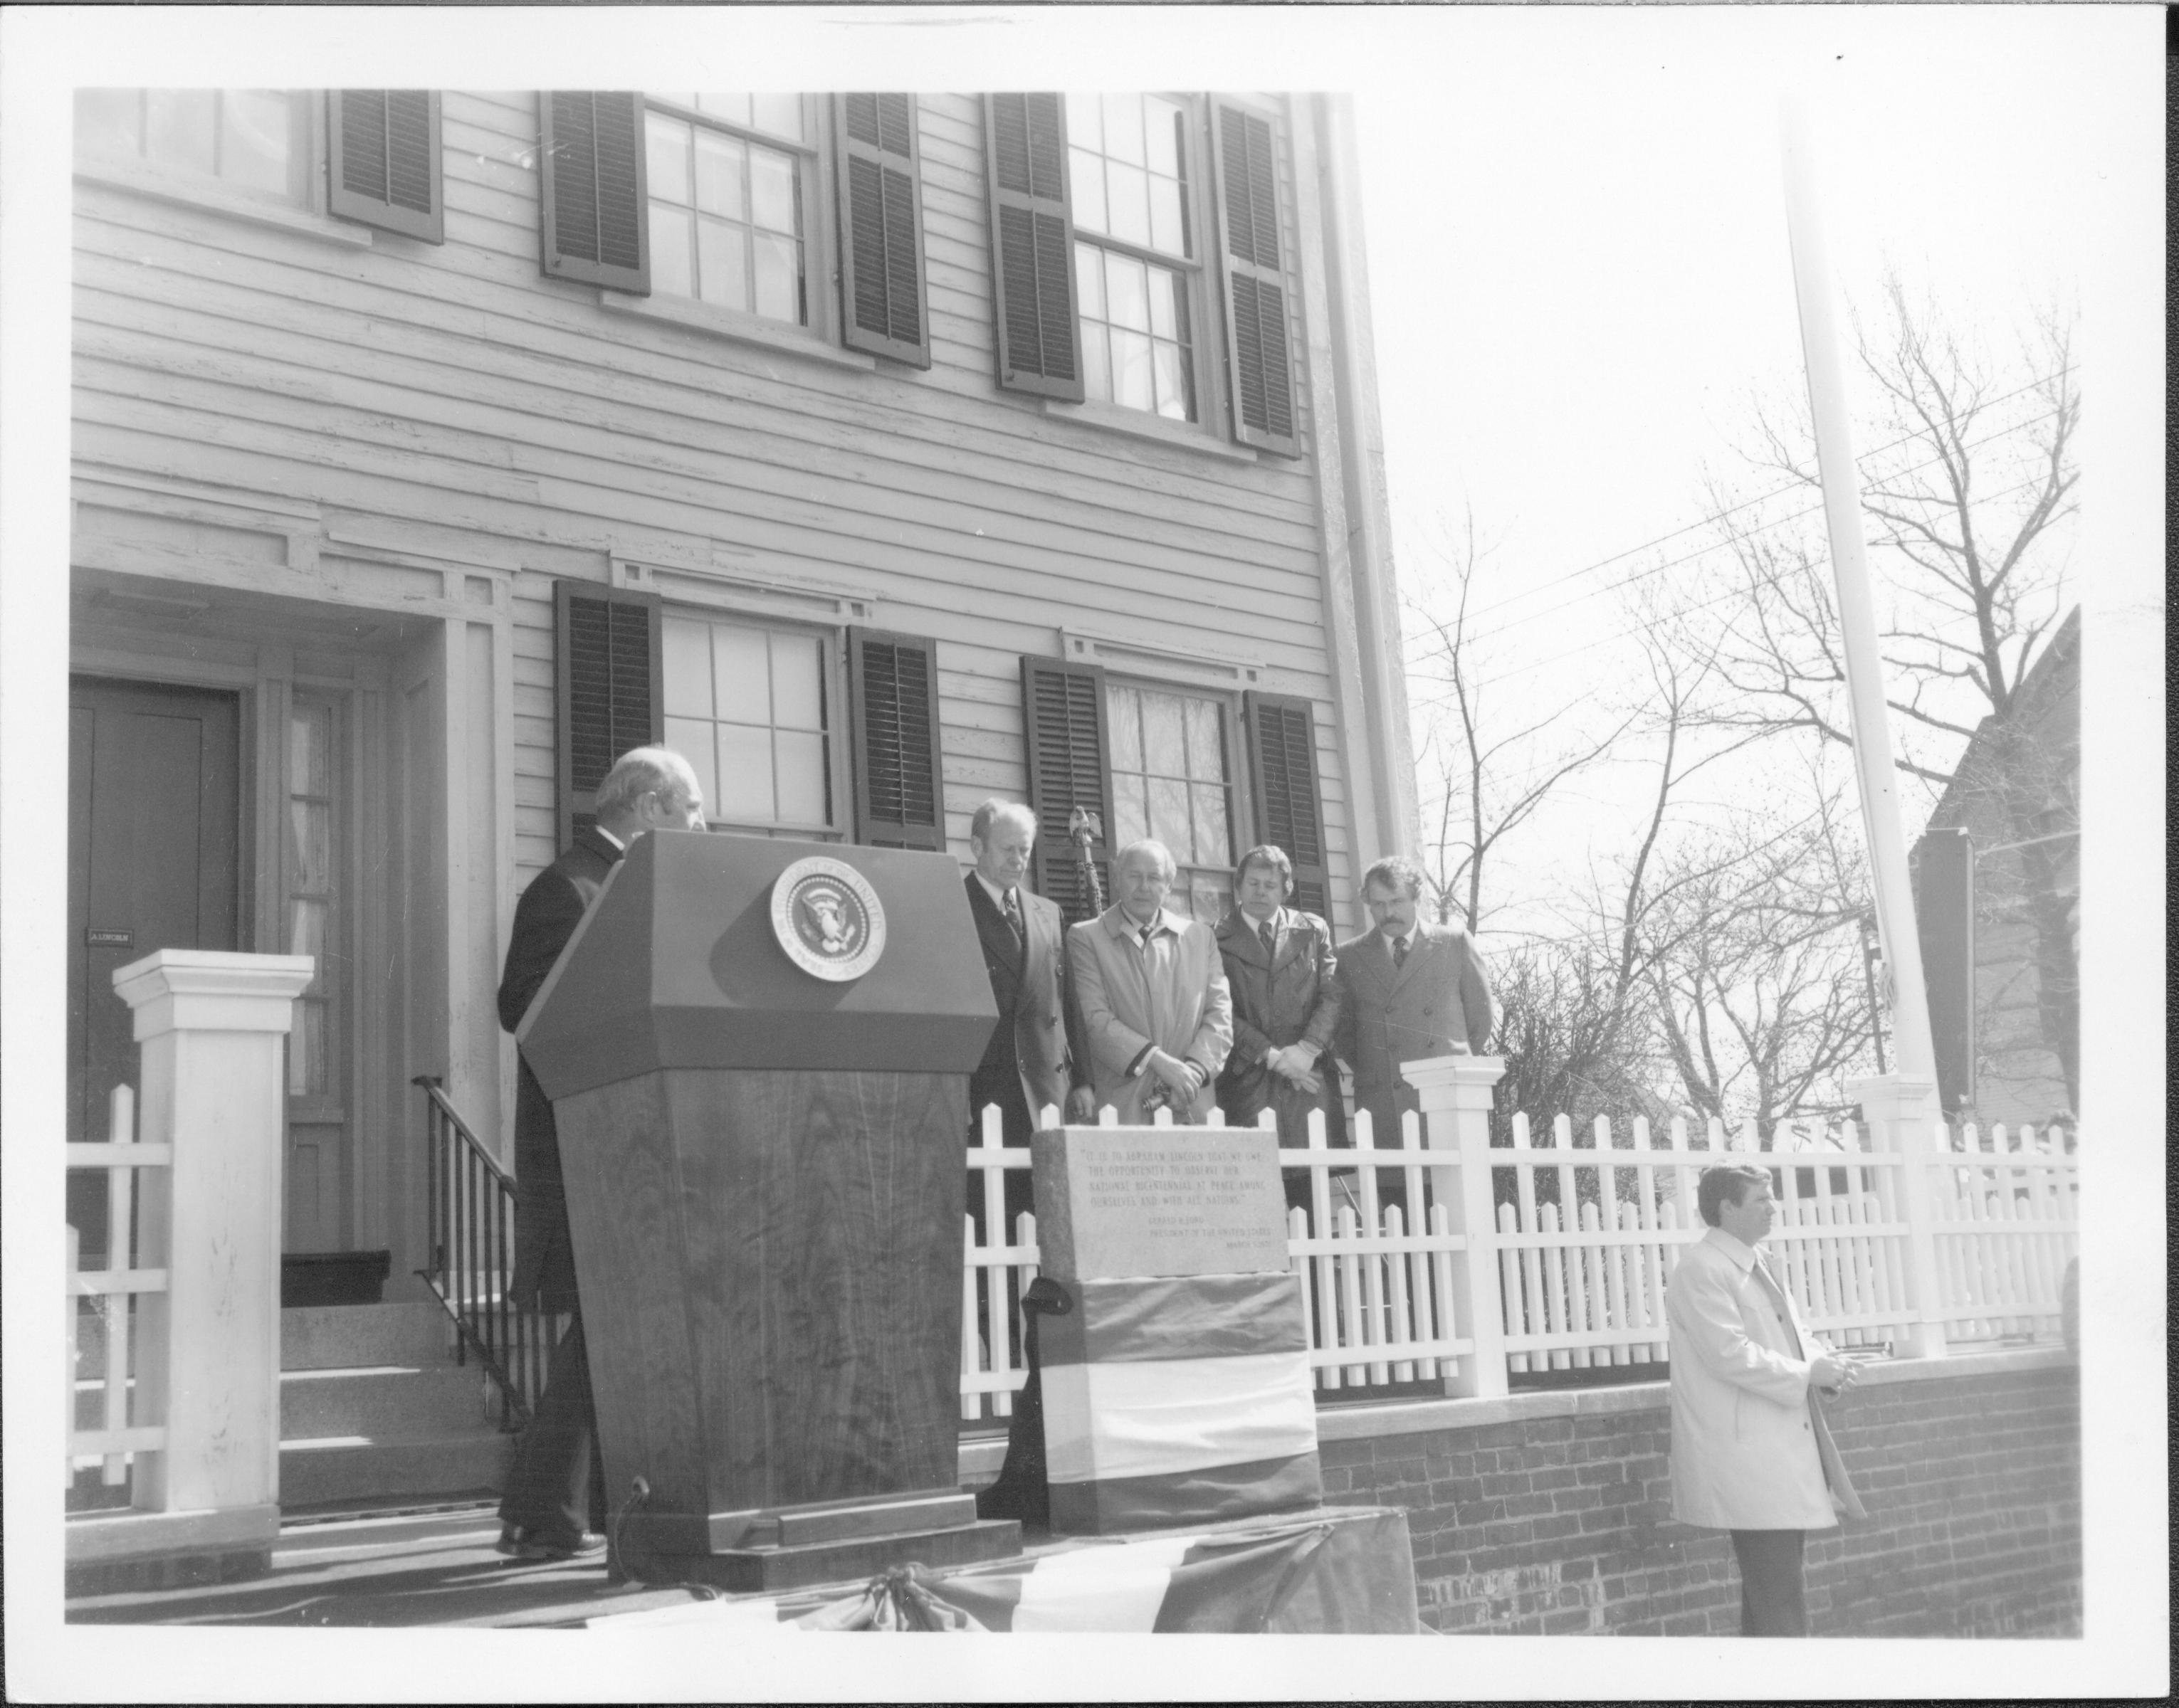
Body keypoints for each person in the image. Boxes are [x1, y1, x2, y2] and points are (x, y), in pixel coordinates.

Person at [494, 745, 706, 1564]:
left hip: (642, 1132)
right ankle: (545, 1507)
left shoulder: (637, 887)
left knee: (609, 1323)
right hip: (586, 1137)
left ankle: (553, 1506)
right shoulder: (568, 887)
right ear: (649, 805)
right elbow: (524, 1008)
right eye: (689, 811)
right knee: (605, 1322)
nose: (697, 828)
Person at [1666, 1164, 1868, 1636]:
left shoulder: (1759, 1262)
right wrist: (1805, 1372)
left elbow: (1794, 1336)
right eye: (1759, 1199)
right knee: (1778, 1594)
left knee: (1772, 1593)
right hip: (1747, 1457)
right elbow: (1727, 1354)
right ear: (1726, 1207)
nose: (1772, 1208)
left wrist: (1824, 1366)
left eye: (1770, 1197)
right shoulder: (1702, 1268)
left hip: (1775, 1452)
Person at [1332, 853, 1493, 1214]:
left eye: (1397, 901)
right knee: (1400, 1219)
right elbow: (1345, 1035)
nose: (1389, 912)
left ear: (1416, 898)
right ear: (1368, 905)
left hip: (1444, 1103)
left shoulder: (1454, 943)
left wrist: (1444, 1066)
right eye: (1379, 904)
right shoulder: (1349, 957)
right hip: (1385, 1104)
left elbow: (1480, 1022)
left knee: (1457, 1216)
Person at [962, 799, 1073, 1236]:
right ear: (977, 846)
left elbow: (1067, 1002)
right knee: (994, 1214)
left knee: (1048, 1219)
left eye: (1024, 850)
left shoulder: (1048, 911)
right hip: (989, 1084)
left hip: (1047, 1083)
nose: (1018, 860)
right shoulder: (953, 905)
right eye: (1007, 849)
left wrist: (1080, 1080)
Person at [1214, 844, 1345, 1215]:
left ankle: (1317, 1275)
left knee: (1313, 1203)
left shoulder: (1313, 931)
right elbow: (1217, 1009)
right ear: (1238, 886)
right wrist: (1271, 1056)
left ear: (1285, 889)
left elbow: (1332, 996)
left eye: (1270, 885)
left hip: (1308, 1080)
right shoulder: (1213, 937)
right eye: (1252, 883)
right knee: (1255, 1206)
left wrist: (1307, 1049)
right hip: (1248, 1081)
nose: (1260, 892)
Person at [1068, 839, 1233, 1125]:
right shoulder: (1086, 938)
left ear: (1169, 885)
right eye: (1134, 876)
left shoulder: (1199, 937)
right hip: (1120, 1107)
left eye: (1154, 877)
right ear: (1118, 878)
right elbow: (1093, 1020)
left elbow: (1219, 1015)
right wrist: (1160, 1063)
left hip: (1189, 1103)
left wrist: (1191, 1073)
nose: (1144, 886)